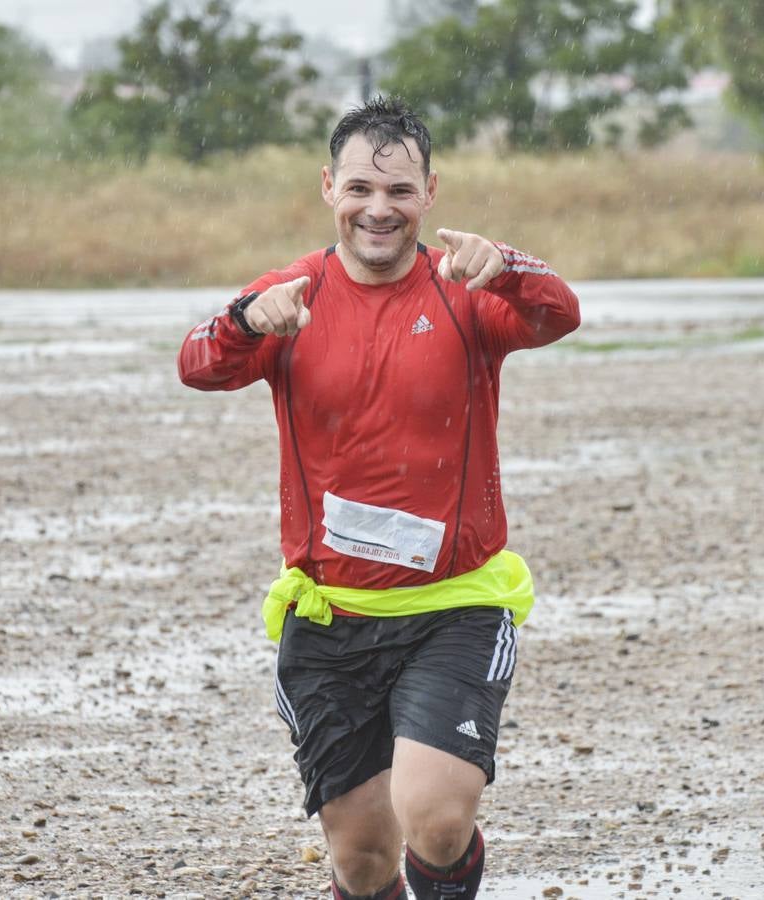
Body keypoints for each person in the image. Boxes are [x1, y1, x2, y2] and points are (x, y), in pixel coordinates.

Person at [177, 96, 580, 900]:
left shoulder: (465, 288)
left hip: (454, 608)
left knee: (434, 819)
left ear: (430, 193)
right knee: (362, 862)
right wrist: (247, 319)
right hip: (331, 620)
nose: (378, 209)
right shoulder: (292, 294)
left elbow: (559, 314)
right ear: (329, 187)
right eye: (360, 188)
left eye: (399, 191)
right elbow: (196, 364)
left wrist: (507, 262)